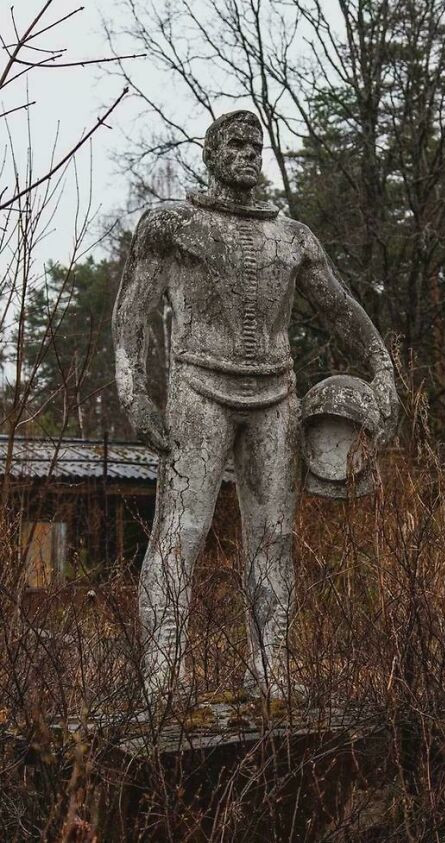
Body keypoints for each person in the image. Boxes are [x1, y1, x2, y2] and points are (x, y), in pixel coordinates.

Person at [113, 110, 397, 700]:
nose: (248, 153)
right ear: (211, 152)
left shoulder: (291, 237)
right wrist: (132, 387)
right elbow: (132, 310)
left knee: (274, 538)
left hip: (276, 393)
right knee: (182, 531)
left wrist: (381, 364)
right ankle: (164, 679)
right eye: (235, 143)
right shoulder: (173, 224)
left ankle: (272, 670)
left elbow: (338, 307)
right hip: (198, 387)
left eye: (255, 144)